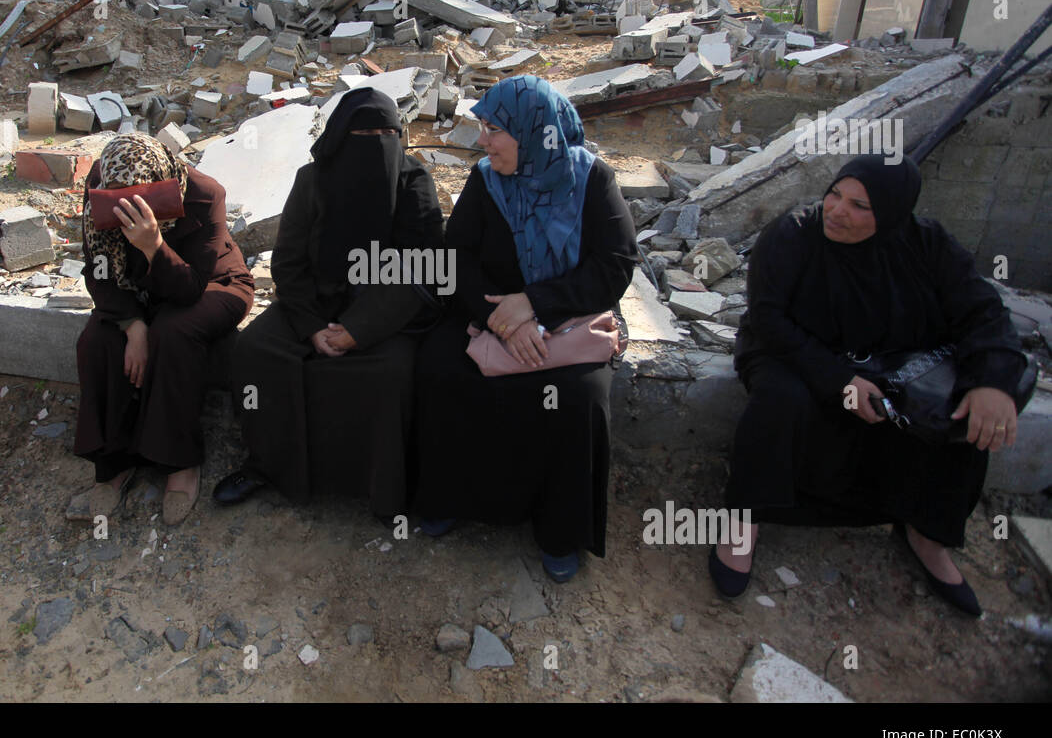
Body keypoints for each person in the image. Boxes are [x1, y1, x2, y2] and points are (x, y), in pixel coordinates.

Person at [711, 154, 1026, 616]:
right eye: (835, 195)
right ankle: (745, 519)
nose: (838, 212)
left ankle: (926, 531)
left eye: (861, 206)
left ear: (894, 211)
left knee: (958, 409)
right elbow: (769, 320)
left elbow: (983, 310)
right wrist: (840, 380)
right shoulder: (794, 234)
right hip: (797, 352)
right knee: (779, 401)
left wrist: (993, 383)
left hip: (894, 360)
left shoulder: (926, 244)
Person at [411, 75, 638, 582]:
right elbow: (458, 257)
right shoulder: (487, 180)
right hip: (489, 315)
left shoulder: (592, 180)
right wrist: (503, 319)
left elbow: (615, 266)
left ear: (538, 133)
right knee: (440, 367)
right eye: (483, 128)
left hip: (566, 319)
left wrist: (535, 305)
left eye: (495, 130)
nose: (484, 141)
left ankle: (560, 530)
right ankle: (451, 497)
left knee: (576, 398)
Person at [215, 87, 444, 517]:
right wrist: (312, 326)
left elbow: (423, 269)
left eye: (387, 131)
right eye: (365, 131)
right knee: (255, 351)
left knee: (393, 371)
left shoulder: (413, 180)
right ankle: (266, 465)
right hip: (314, 304)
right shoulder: (313, 178)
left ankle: (382, 488)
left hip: (386, 315)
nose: (378, 141)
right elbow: (289, 259)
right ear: (342, 135)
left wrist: (360, 329)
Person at [70, 134, 253, 526]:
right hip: (135, 289)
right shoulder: (102, 185)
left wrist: (153, 245)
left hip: (211, 283)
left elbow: (190, 288)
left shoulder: (204, 194)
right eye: (117, 197)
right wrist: (132, 325)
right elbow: (98, 271)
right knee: (98, 340)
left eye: (138, 195)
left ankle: (179, 462)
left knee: (172, 333)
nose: (126, 205)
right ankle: (114, 463)